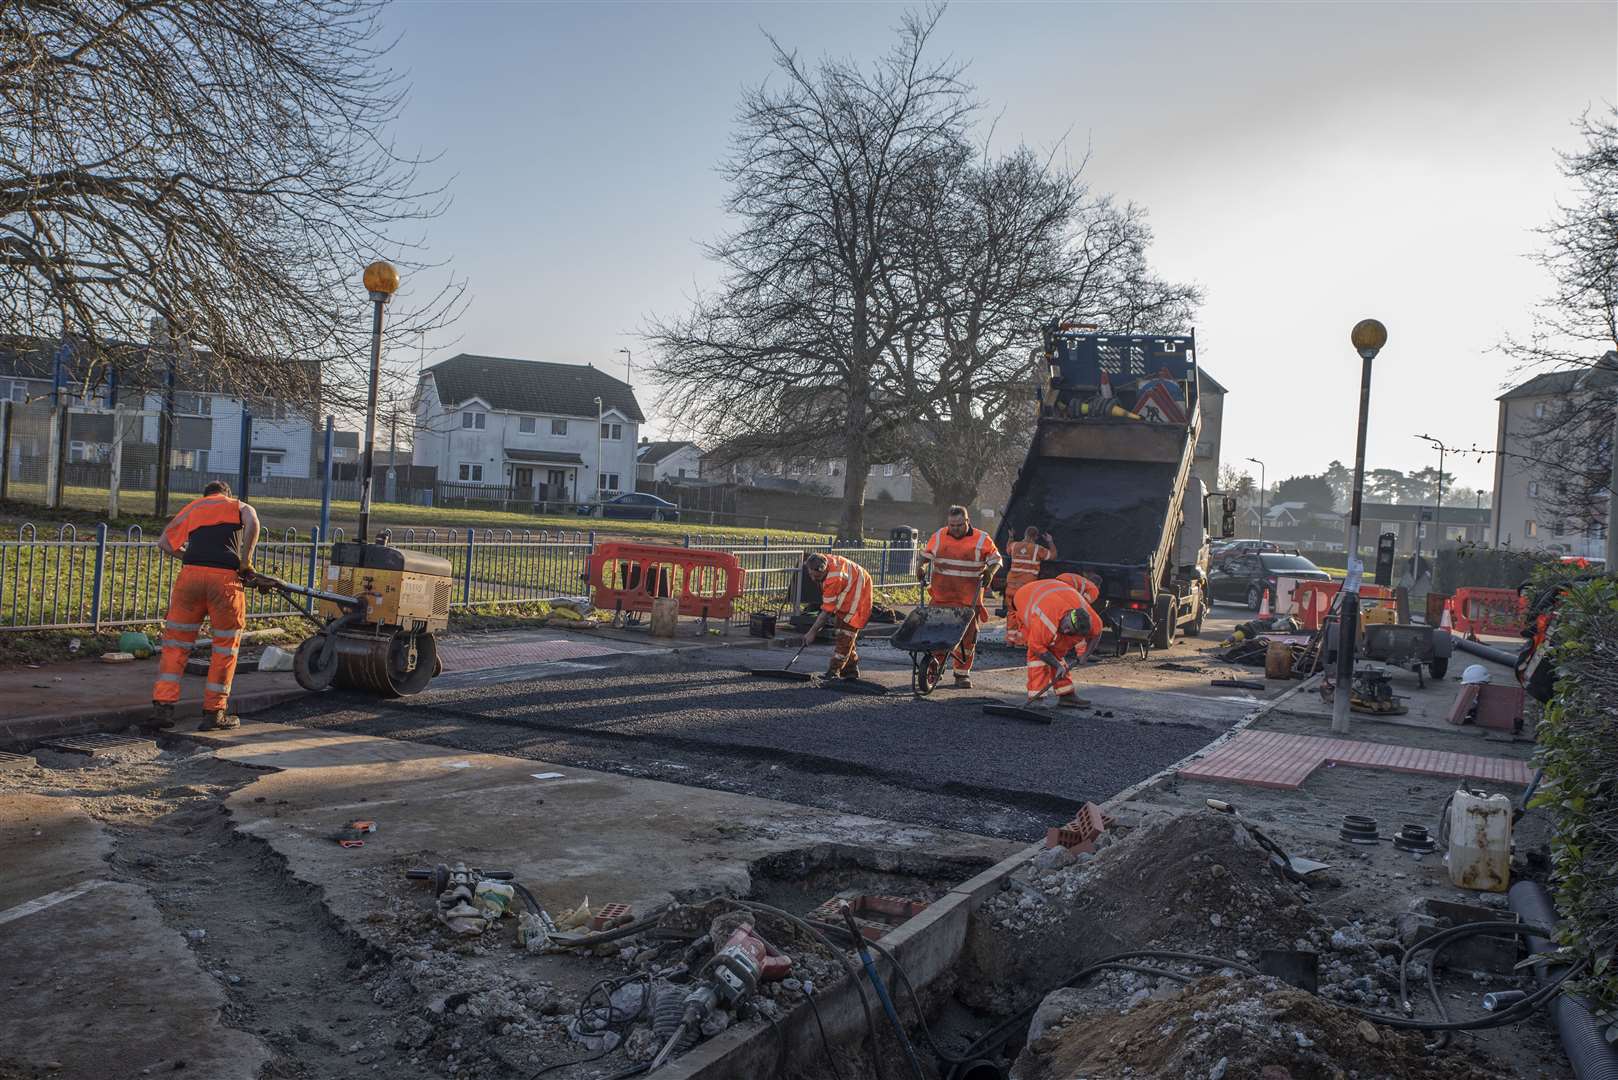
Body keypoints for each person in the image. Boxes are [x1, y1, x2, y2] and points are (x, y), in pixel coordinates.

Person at [148, 480, 261, 731]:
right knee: (224, 647)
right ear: (226, 494)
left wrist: (187, 557)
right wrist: (245, 562)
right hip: (225, 581)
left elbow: (165, 543)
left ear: (206, 494)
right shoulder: (238, 506)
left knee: (176, 644)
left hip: (190, 577)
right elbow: (253, 520)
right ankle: (214, 714)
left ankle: (162, 710)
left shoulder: (193, 508)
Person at [917, 505, 1002, 689]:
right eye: (951, 525)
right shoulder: (940, 536)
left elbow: (996, 559)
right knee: (937, 633)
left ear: (967, 522)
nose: (954, 529)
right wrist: (921, 566)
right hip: (942, 596)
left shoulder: (981, 539)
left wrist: (990, 572)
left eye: (958, 525)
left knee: (967, 638)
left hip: (968, 600)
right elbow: (925, 555)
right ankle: (936, 666)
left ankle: (961, 674)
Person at [1015, 572, 1103, 708]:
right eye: (1068, 628)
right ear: (1067, 617)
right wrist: (1057, 665)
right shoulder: (1046, 619)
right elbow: (1038, 647)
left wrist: (1085, 655)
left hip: (1055, 591)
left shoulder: (1090, 617)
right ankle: (1036, 698)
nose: (1067, 632)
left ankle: (1066, 695)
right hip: (1026, 596)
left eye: (1072, 632)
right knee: (1038, 656)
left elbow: (1097, 634)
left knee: (1057, 651)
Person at [802, 551, 873, 679]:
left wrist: (811, 633)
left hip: (859, 595)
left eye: (816, 576)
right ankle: (851, 670)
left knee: (845, 634)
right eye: (810, 575)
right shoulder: (822, 560)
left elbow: (826, 612)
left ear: (823, 570)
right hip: (852, 587)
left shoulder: (834, 578)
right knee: (841, 631)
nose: (813, 579)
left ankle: (833, 671)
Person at [1002, 525, 1057, 647]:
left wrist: (1010, 537)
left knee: (1012, 612)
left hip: (1011, 586)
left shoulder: (1015, 545)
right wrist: (1050, 541)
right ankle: (1021, 641)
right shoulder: (1038, 549)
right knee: (1024, 613)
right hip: (1026, 589)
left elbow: (1007, 549)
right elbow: (1052, 556)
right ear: (1036, 537)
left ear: (1025, 535)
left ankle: (1010, 641)